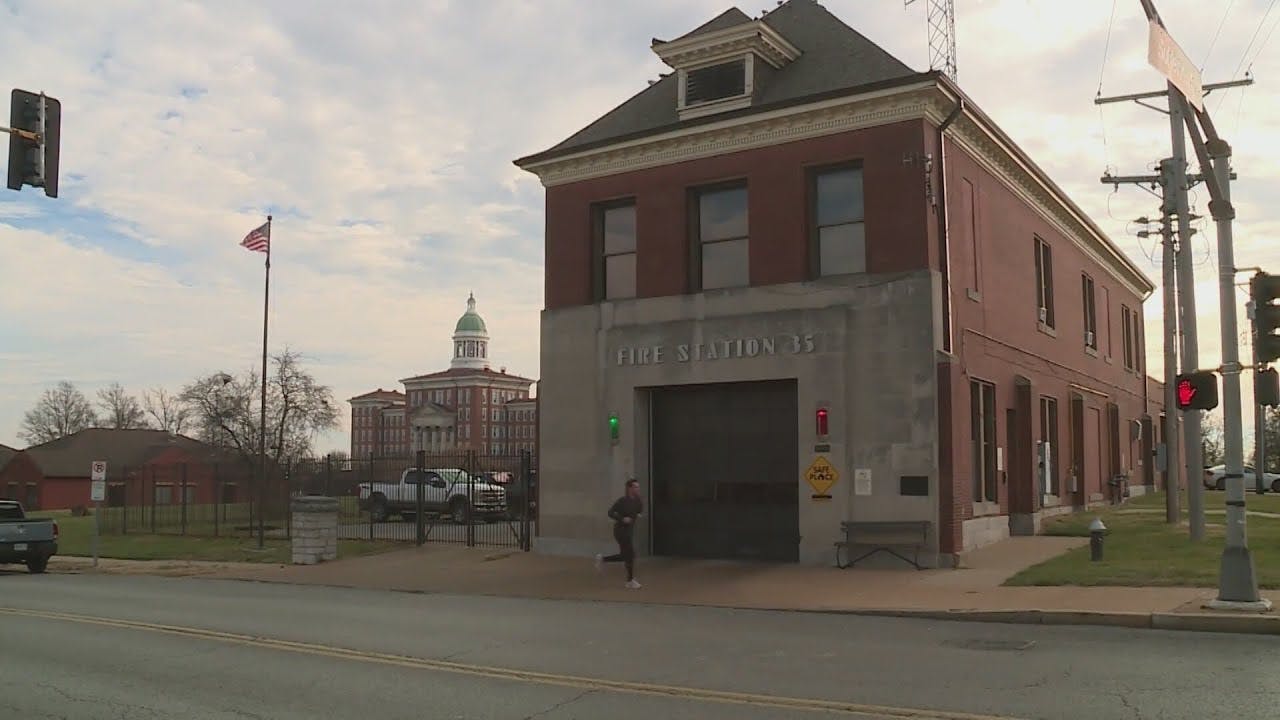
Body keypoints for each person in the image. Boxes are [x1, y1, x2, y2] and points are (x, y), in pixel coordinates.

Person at [595, 479, 643, 588]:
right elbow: (610, 512)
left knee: (625, 555)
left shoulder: (638, 501)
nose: (637, 489)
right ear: (629, 488)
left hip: (629, 531)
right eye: (635, 487)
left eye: (638, 487)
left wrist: (638, 515)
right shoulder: (622, 501)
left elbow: (639, 510)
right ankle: (630, 581)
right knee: (630, 555)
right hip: (620, 531)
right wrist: (622, 518)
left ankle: (603, 559)